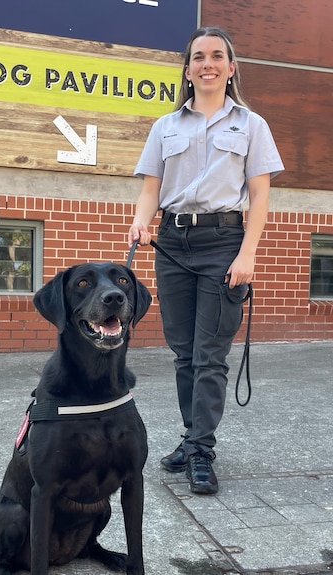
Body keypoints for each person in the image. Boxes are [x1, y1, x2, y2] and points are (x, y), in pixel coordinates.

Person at [127, 26, 284, 495]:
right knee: (183, 352)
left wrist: (248, 253)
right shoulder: (165, 126)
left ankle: (201, 450)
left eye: (217, 56)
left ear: (230, 68)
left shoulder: (251, 125)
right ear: (188, 68)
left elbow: (259, 196)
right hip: (173, 244)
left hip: (223, 243)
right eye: (199, 57)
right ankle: (192, 437)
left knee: (210, 354)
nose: (207, 63)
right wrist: (140, 221)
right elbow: (150, 189)